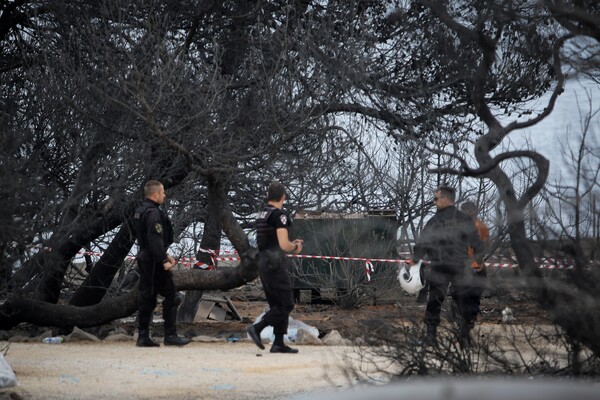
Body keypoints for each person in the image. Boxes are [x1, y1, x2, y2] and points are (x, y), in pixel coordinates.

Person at [411, 185, 484, 348]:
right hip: (460, 267)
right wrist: (478, 259)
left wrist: (415, 259)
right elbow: (476, 242)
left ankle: (431, 338)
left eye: (436, 198)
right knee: (462, 301)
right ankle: (464, 338)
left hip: (440, 267)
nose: (434, 202)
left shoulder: (435, 221)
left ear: (446, 199)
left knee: (435, 302)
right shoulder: (464, 220)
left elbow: (423, 242)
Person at [247, 182, 303, 354]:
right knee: (287, 304)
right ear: (283, 197)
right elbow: (284, 244)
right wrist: (295, 246)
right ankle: (257, 328)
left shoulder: (262, 214)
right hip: (275, 264)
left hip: (263, 262)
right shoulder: (279, 216)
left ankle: (278, 342)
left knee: (276, 304)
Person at [133, 180, 190, 347]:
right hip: (153, 261)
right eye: (163, 192)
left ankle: (143, 336)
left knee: (148, 297)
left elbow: (149, 241)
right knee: (172, 296)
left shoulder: (141, 210)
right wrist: (164, 260)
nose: (165, 195)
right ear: (155, 194)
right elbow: (154, 239)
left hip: (147, 258)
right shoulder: (153, 213)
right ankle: (170, 335)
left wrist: (166, 255)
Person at [460, 200, 490, 326]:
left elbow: (483, 246)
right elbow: (486, 246)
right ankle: (469, 318)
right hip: (471, 266)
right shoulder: (480, 226)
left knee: (468, 294)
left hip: (470, 266)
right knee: (472, 294)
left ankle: (467, 318)